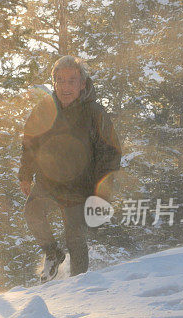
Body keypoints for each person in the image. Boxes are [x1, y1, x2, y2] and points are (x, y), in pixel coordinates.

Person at [18, 55, 122, 282]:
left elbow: (110, 153)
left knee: (75, 236)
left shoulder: (95, 113)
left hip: (80, 188)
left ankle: (80, 284)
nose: (65, 87)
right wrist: (25, 175)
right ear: (54, 83)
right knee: (32, 213)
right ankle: (53, 253)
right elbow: (30, 143)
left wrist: (101, 193)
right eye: (60, 80)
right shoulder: (44, 109)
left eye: (71, 81)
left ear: (82, 84)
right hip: (48, 183)